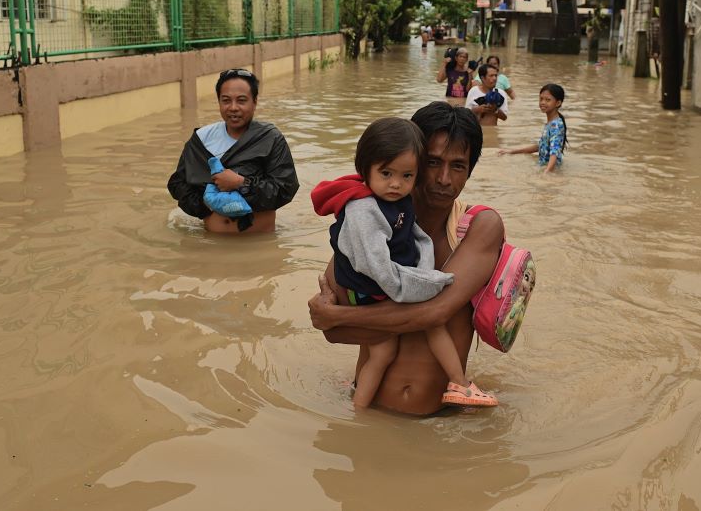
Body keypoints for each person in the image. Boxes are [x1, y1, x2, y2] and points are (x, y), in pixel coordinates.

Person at [308, 102, 506, 415]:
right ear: (409, 158)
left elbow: (435, 312)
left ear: (470, 170)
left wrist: (340, 317)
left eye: (458, 166)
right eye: (432, 162)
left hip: (438, 426)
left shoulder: (479, 228)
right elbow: (332, 333)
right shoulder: (367, 223)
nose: (444, 178)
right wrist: (335, 320)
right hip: (365, 413)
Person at [167, 68, 299, 234]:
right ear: (219, 102)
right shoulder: (202, 139)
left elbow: (286, 188)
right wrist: (206, 204)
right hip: (212, 243)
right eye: (226, 100)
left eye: (242, 100)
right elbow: (177, 184)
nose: (233, 107)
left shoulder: (270, 139)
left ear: (255, 102)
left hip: (260, 243)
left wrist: (241, 183)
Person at [498, 83, 568, 173]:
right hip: (545, 167)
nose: (543, 102)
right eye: (541, 99)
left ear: (558, 103)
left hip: (551, 170)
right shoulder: (551, 123)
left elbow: (554, 152)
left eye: (548, 100)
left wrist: (546, 173)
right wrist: (512, 151)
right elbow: (541, 146)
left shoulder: (556, 125)